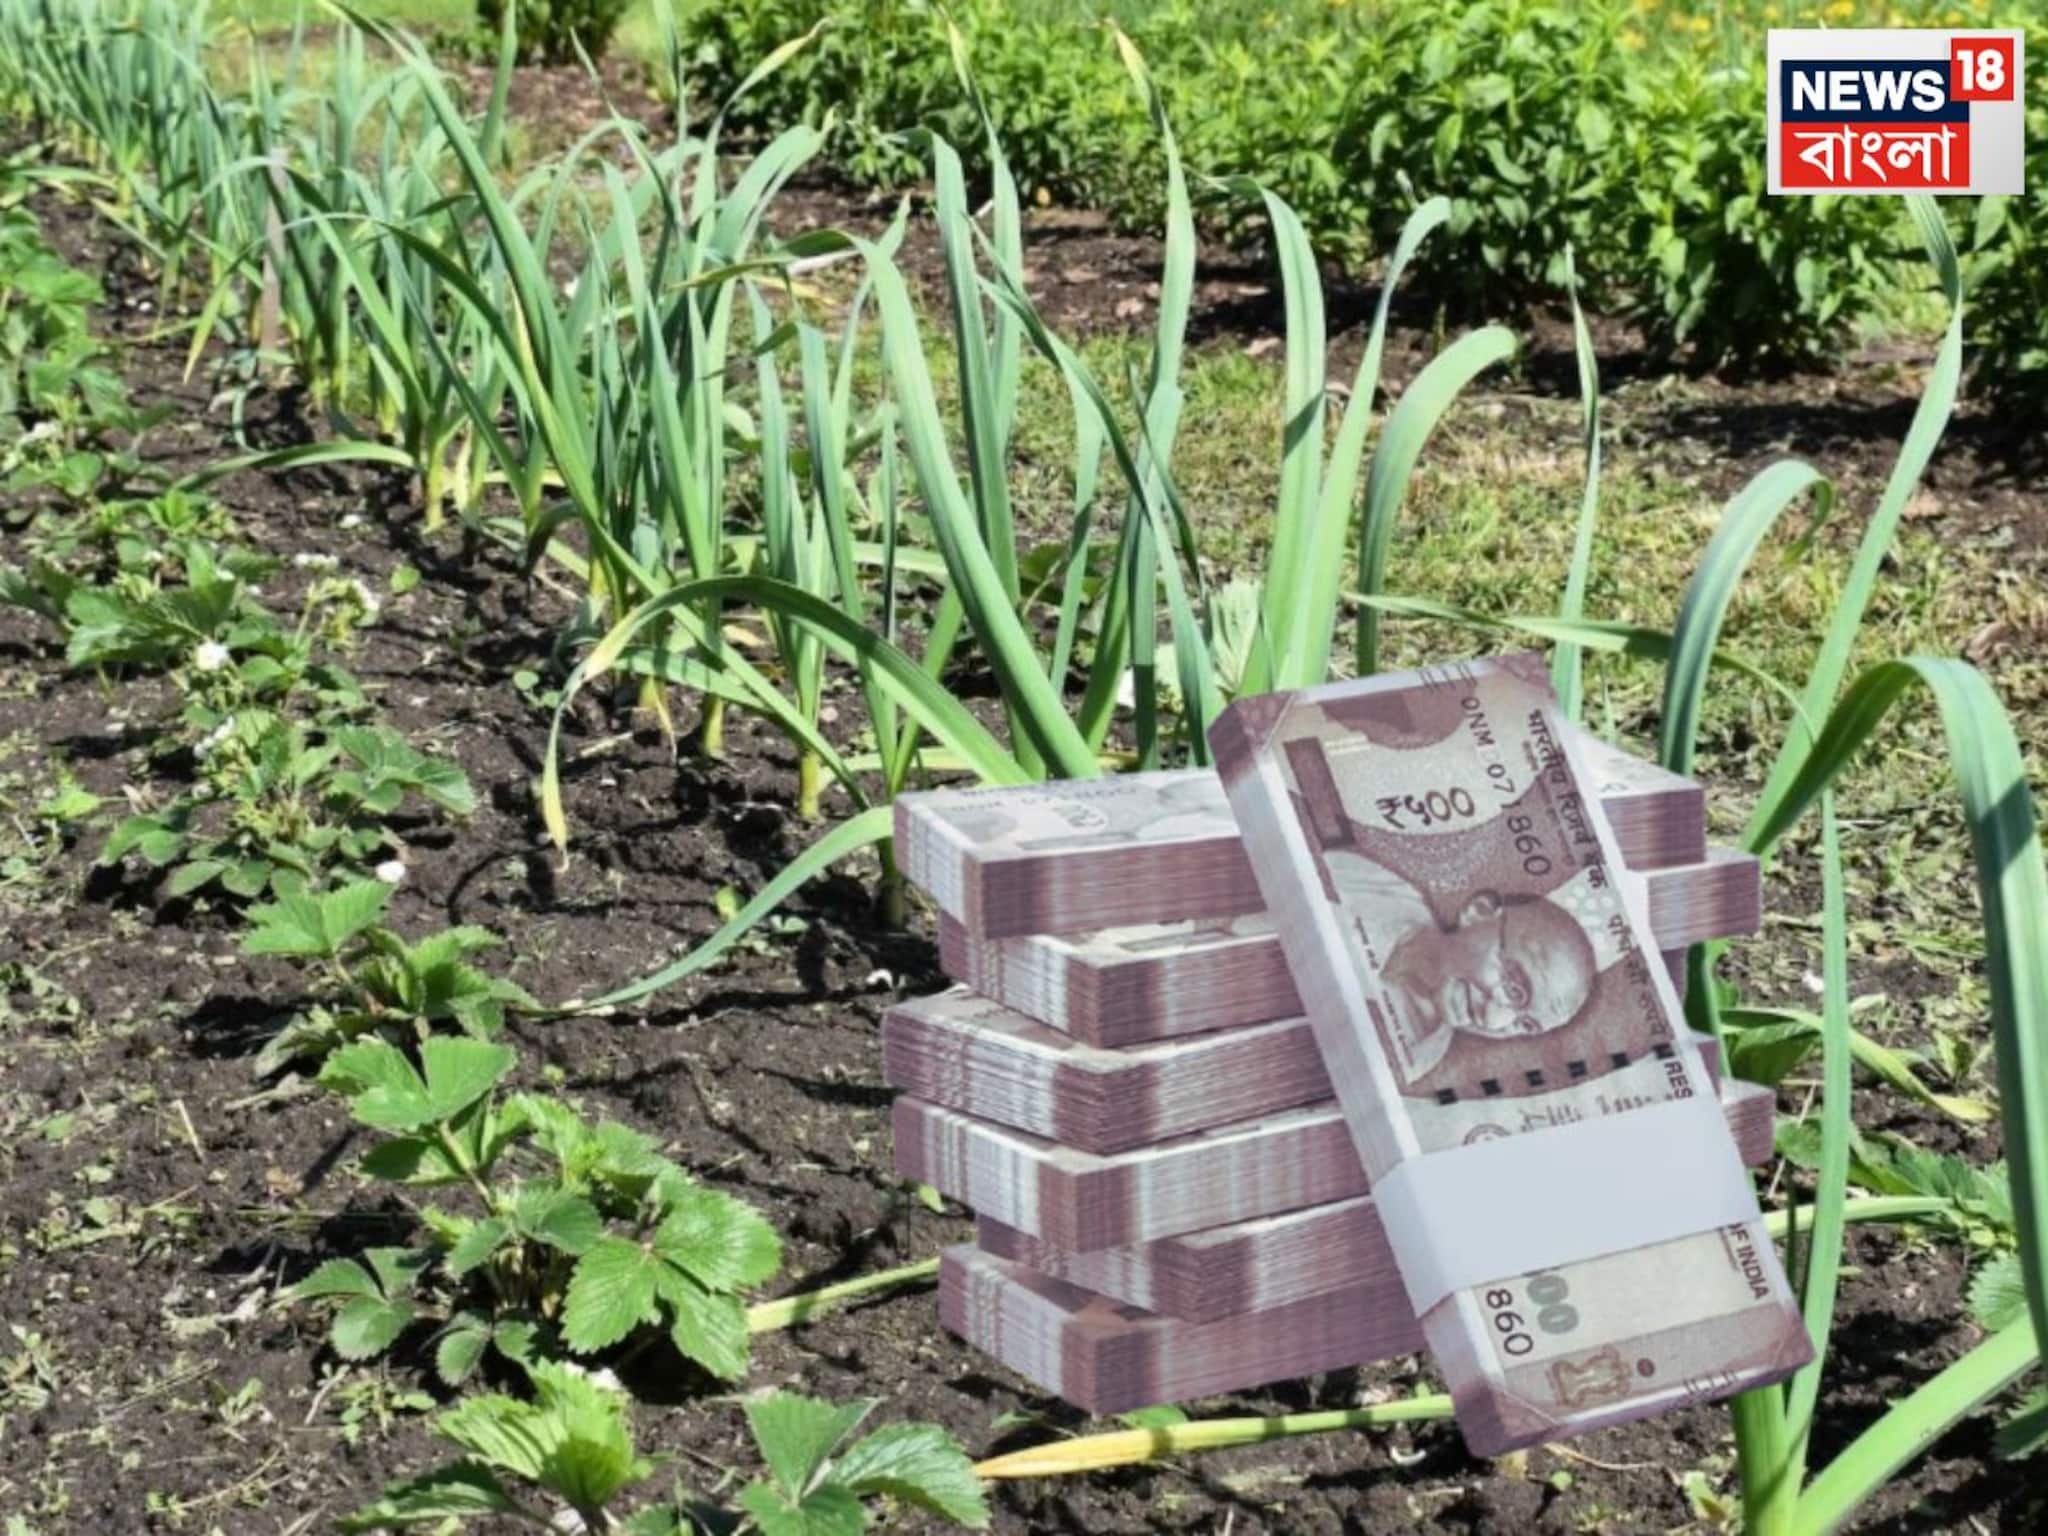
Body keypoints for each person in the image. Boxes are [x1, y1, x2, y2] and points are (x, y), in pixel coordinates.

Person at [1321, 846, 1599, 1083]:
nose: (1492, 1020)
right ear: (1479, 912)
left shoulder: (1421, 1054)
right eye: (1513, 988)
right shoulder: (1370, 886)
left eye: (1525, 1024)